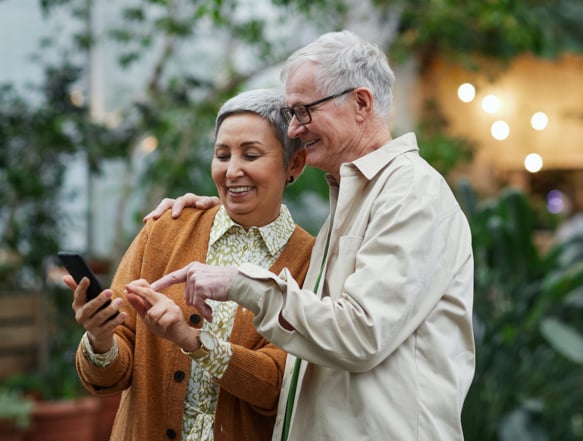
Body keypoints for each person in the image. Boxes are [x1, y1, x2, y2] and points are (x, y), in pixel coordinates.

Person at [147, 30, 475, 441]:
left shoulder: (410, 193)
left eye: (303, 111)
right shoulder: (358, 195)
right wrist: (222, 206)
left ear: (360, 103)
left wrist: (239, 283)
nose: (295, 131)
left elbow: (359, 334)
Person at [64, 89, 314, 441]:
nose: (232, 171)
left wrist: (191, 339)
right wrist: (100, 338)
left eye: (251, 154)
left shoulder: (311, 260)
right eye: (222, 155)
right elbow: (109, 377)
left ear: (295, 164)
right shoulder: (166, 229)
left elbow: (279, 387)